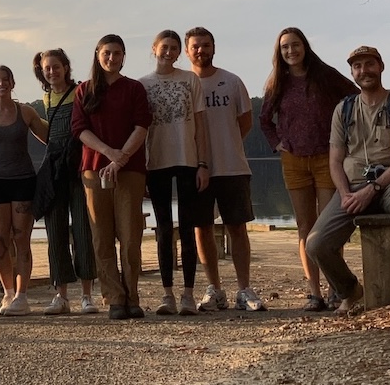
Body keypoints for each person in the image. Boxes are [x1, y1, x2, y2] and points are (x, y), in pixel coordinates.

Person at [307, 45, 390, 315]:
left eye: (369, 64)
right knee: (315, 244)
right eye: (357, 66)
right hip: (352, 188)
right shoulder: (344, 109)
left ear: (381, 66)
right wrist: (344, 193)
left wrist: (373, 188)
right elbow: (335, 161)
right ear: (352, 72)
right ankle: (349, 291)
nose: (364, 70)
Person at [258, 27, 359, 311]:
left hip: (328, 159)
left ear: (305, 46)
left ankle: (335, 289)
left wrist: (345, 135)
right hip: (294, 161)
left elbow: (354, 98)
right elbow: (264, 120)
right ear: (280, 53)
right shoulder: (277, 82)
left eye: (295, 45)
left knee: (328, 228)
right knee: (305, 226)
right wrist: (277, 143)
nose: (291, 51)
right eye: (285, 47)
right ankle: (314, 292)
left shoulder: (324, 75)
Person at [184, 27, 266, 313]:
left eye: (206, 45)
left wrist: (225, 145)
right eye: (195, 46)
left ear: (214, 48)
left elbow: (245, 122)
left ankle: (244, 289)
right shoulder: (184, 84)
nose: (200, 51)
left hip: (232, 167)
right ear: (187, 51)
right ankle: (215, 289)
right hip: (196, 170)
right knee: (202, 228)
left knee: (237, 227)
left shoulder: (231, 82)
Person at [71, 34, 152, 320]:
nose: (112, 58)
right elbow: (80, 129)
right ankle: (114, 298)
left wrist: (121, 159)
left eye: (117, 53)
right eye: (107, 53)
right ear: (97, 54)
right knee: (101, 237)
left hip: (129, 170)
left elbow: (142, 126)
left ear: (123, 56)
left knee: (130, 236)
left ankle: (132, 296)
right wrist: (109, 153)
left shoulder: (134, 89)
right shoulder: (84, 91)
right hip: (94, 169)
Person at [139, 30, 209, 316]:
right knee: (164, 230)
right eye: (164, 47)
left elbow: (201, 126)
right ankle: (167, 293)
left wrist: (203, 163)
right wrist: (141, 169)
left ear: (179, 53)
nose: (168, 52)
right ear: (154, 48)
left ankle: (188, 294)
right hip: (156, 162)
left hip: (187, 160)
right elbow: (140, 130)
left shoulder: (189, 80)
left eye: (174, 48)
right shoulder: (142, 85)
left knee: (188, 227)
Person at [0, 65, 49, 316]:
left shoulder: (25, 112)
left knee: (21, 239)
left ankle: (22, 296)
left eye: (5, 79)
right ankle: (7, 294)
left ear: (12, 82)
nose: (1, 84)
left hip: (23, 181)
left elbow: (50, 137)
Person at [32, 49, 98, 315]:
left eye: (56, 67)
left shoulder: (82, 90)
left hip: (79, 166)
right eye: (47, 68)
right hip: (54, 169)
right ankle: (61, 295)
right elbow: (50, 134)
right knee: (55, 230)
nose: (52, 72)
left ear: (66, 67)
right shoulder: (46, 97)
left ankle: (86, 295)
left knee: (83, 228)